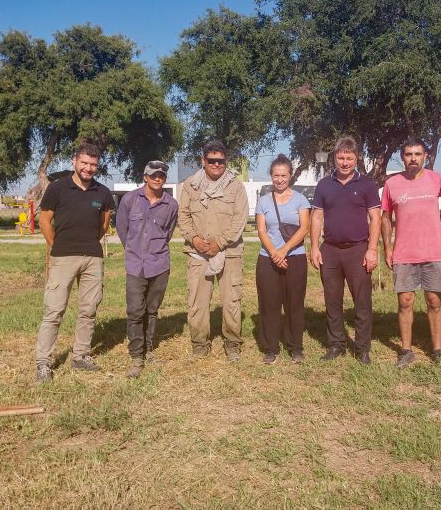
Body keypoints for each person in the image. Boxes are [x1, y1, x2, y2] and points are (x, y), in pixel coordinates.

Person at [35, 143, 115, 383]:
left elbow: (103, 225)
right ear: (74, 161)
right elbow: (44, 221)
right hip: (63, 257)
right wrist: (57, 245)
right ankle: (43, 363)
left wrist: (88, 243)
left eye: (93, 164)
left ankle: (80, 355)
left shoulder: (103, 192)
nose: (88, 168)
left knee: (89, 309)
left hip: (93, 258)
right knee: (54, 310)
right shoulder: (57, 188)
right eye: (84, 163)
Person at [310, 136, 381, 364]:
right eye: (341, 158)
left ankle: (362, 348)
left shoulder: (367, 184)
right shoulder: (324, 185)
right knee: (332, 300)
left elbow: (376, 218)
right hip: (330, 250)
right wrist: (314, 247)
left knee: (362, 301)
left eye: (349, 158)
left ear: (356, 158)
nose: (345, 162)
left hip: (358, 249)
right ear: (334, 158)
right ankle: (336, 345)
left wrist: (372, 249)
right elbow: (316, 217)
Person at [381, 138, 441, 368]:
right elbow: (385, 218)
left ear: (425, 156)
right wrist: (387, 248)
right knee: (405, 302)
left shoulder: (436, 179)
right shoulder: (392, 183)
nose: (413, 159)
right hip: (404, 252)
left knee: (434, 302)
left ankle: (437, 350)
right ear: (402, 157)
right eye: (409, 154)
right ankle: (406, 350)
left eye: (418, 154)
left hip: (434, 251)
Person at [178, 141, 248, 362]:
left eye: (221, 161)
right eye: (212, 160)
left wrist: (220, 243)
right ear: (203, 161)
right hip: (197, 253)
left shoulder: (236, 186)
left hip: (229, 252)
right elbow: (183, 216)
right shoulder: (190, 185)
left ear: (226, 161)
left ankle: (232, 344)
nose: (216, 164)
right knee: (197, 302)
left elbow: (240, 220)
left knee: (231, 301)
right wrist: (195, 239)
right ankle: (200, 344)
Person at [115, 160, 178, 378]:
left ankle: (148, 349)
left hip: (159, 264)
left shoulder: (171, 204)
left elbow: (168, 232)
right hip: (135, 264)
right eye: (153, 175)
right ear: (145, 177)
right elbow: (122, 229)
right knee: (135, 310)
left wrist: (154, 251)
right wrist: (134, 250)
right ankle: (136, 355)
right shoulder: (130, 200)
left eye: (161, 175)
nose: (157, 178)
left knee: (152, 310)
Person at [255, 154, 311, 365]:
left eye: (284, 175)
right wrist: (274, 253)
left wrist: (284, 250)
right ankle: (271, 347)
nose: (280, 180)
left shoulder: (300, 199)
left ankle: (295, 347)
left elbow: (304, 228)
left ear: (290, 175)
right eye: (276, 176)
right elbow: (262, 230)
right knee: (269, 304)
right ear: (271, 176)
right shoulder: (263, 201)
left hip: (294, 257)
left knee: (294, 304)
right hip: (268, 258)